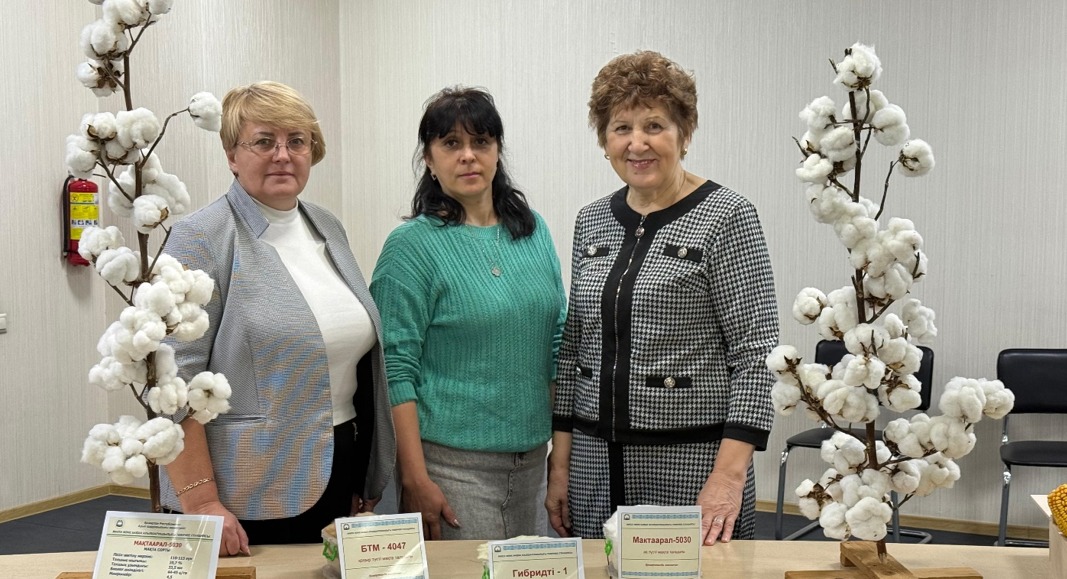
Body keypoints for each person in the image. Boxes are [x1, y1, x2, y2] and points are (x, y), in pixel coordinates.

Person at [545, 51, 779, 545]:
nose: (637, 143)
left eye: (654, 125)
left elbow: (757, 356)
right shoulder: (591, 220)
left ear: (685, 133)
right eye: (621, 128)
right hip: (592, 463)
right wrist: (559, 466)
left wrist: (728, 478)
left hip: (693, 464)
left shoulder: (728, 216)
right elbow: (573, 351)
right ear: (604, 141)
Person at [160, 81, 396, 555]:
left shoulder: (327, 226)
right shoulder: (201, 238)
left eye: (297, 141)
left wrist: (363, 467)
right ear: (232, 154)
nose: (283, 155)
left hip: (339, 460)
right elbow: (171, 383)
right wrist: (201, 500)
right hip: (248, 485)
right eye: (264, 141)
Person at [370, 87, 566, 541]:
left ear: (497, 151)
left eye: (481, 142)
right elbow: (395, 370)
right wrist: (414, 479)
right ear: (429, 159)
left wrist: (559, 460)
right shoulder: (410, 247)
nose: (468, 156)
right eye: (451, 144)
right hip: (449, 469)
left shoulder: (533, 232)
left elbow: (557, 344)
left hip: (533, 464)